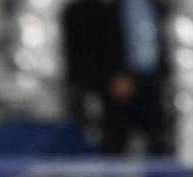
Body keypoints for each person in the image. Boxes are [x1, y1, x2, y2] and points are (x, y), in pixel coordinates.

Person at [62, 0, 167, 156]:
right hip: (114, 88)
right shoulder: (93, 9)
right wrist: (110, 79)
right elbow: (87, 52)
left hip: (152, 84)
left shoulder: (154, 6)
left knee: (158, 144)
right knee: (112, 146)